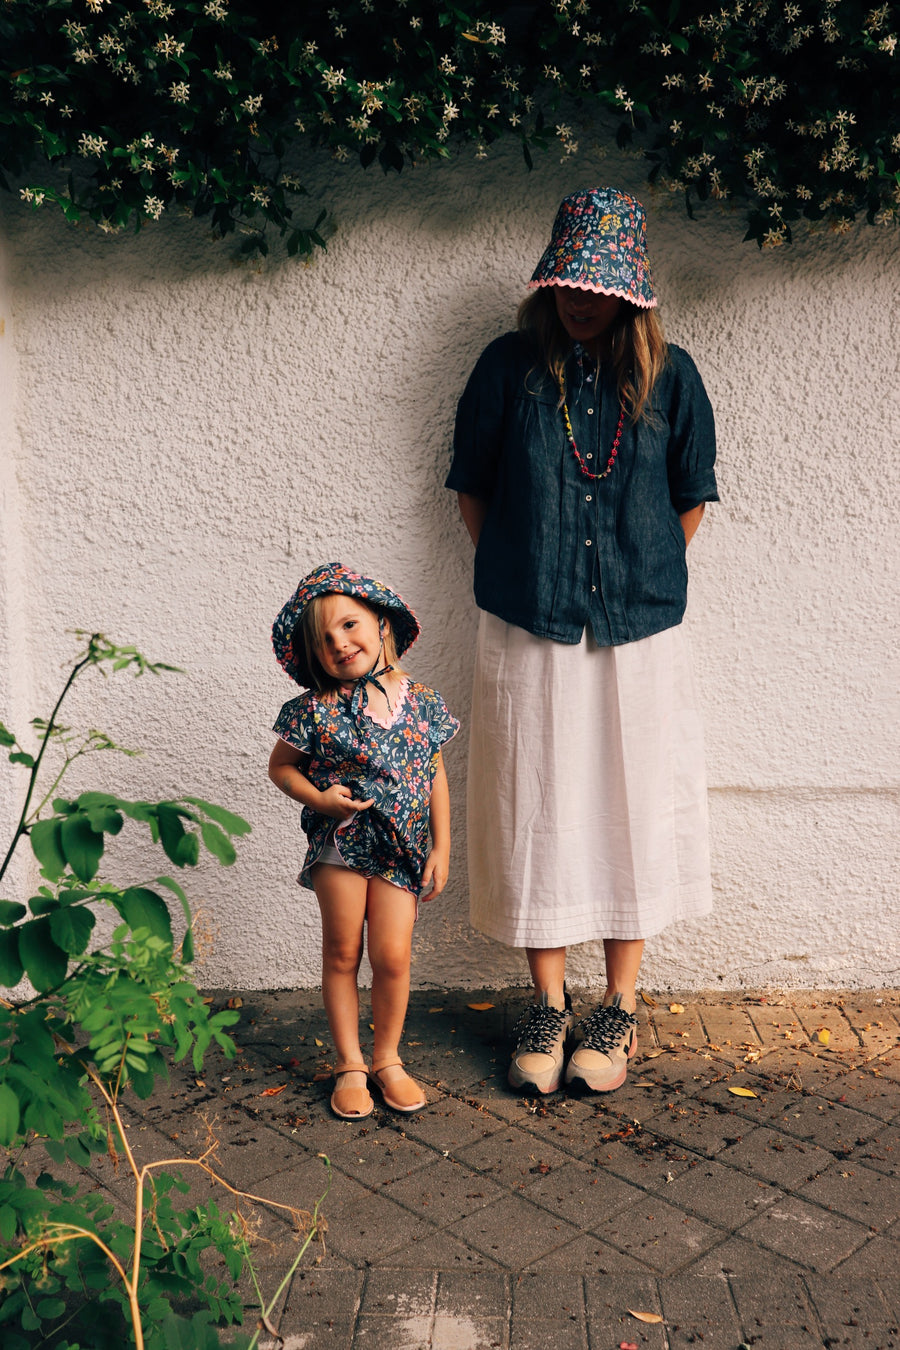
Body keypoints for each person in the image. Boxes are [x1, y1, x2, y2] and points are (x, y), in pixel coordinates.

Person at [446, 187, 718, 1096]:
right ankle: (546, 1004)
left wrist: (634, 574)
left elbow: (691, 496)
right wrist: (533, 573)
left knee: (628, 807)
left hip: (639, 634)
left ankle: (619, 1006)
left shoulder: (671, 376)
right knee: (538, 804)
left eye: (598, 285)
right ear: (551, 279)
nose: (580, 298)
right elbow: (472, 489)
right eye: (569, 280)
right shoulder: (506, 368)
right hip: (530, 624)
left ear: (632, 291)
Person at [268, 562, 458, 1119]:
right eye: (324, 639)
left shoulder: (422, 700)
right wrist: (320, 799)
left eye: (349, 625)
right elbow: (281, 768)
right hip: (341, 846)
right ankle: (350, 1063)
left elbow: (435, 772)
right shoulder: (315, 710)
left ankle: (388, 1059)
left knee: (393, 955)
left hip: (402, 847)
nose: (339, 643)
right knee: (343, 951)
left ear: (380, 623)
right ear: (312, 654)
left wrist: (441, 846)